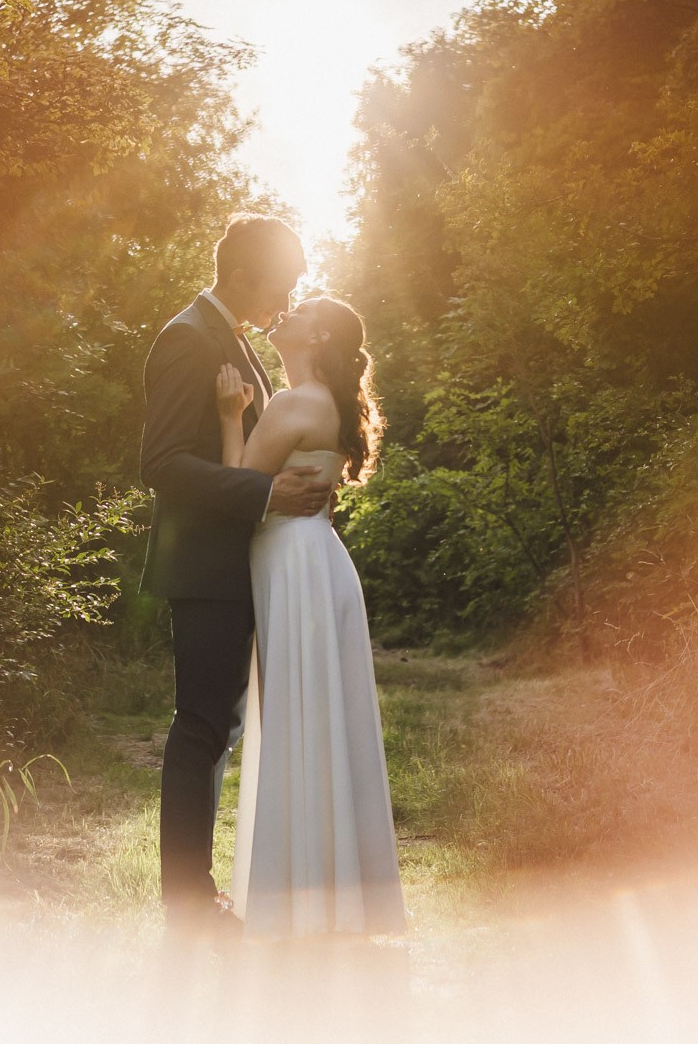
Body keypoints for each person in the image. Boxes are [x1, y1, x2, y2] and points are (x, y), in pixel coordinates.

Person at [139, 214, 333, 939]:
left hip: (236, 564)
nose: (291, 293)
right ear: (245, 273)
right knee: (200, 727)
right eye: (285, 278)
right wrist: (265, 494)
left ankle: (199, 895)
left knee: (218, 727)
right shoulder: (187, 338)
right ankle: (187, 903)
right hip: (206, 568)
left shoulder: (233, 339)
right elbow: (162, 464)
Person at [214, 296, 405, 940]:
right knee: (321, 717)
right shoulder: (316, 401)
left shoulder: (296, 403)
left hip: (294, 562)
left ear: (319, 336)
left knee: (301, 713)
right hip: (315, 558)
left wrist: (228, 417)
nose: (285, 313)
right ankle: (328, 894)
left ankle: (303, 899)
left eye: (300, 310)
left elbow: (237, 485)